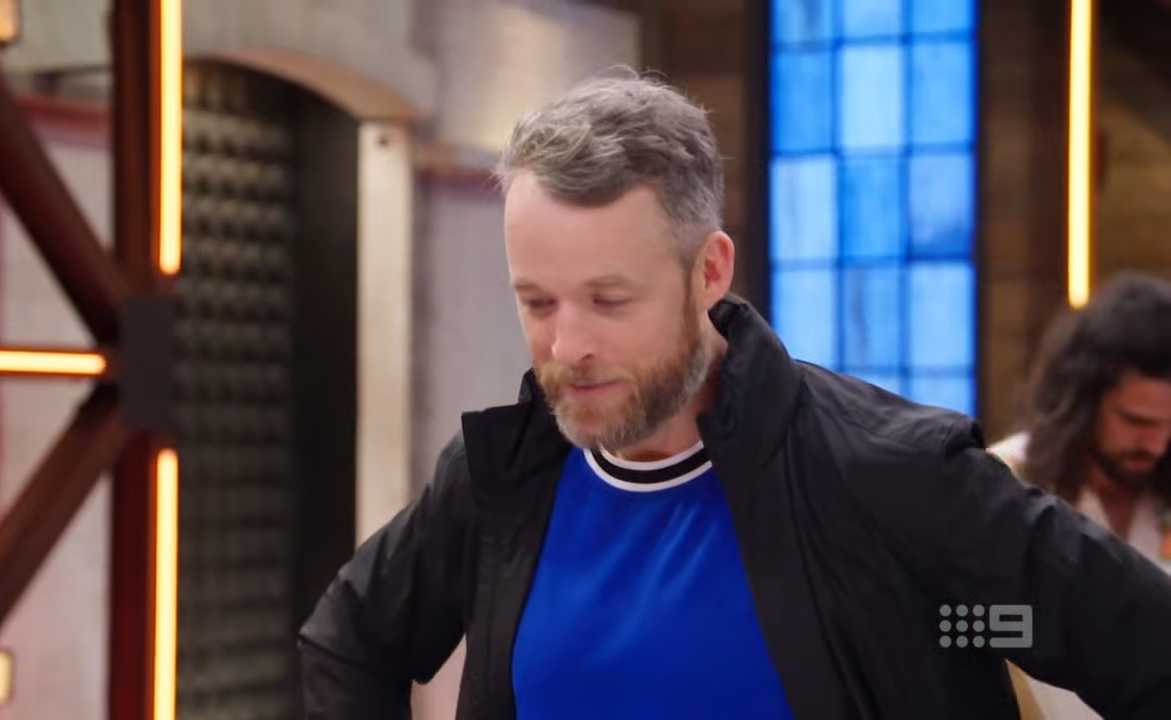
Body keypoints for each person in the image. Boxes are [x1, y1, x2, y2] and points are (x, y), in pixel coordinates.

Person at [297, 67, 1171, 719]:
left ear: (708, 271)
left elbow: (1132, 641)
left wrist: (953, 627)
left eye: (610, 300)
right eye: (538, 302)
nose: (567, 347)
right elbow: (348, 643)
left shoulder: (891, 474)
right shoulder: (503, 476)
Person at [989, 273, 1171, 719]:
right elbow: (947, 626)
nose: (1158, 444)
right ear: (1082, 401)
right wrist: (1059, 627)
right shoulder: (999, 485)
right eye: (1137, 421)